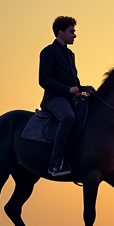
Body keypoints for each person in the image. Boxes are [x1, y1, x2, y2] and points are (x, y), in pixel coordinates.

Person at [39, 16, 81, 176]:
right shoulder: (48, 52)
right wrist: (67, 90)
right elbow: (43, 79)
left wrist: (84, 89)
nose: (74, 35)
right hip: (53, 99)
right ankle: (55, 164)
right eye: (71, 31)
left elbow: (74, 82)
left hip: (68, 97)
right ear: (60, 32)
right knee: (68, 117)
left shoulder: (70, 55)